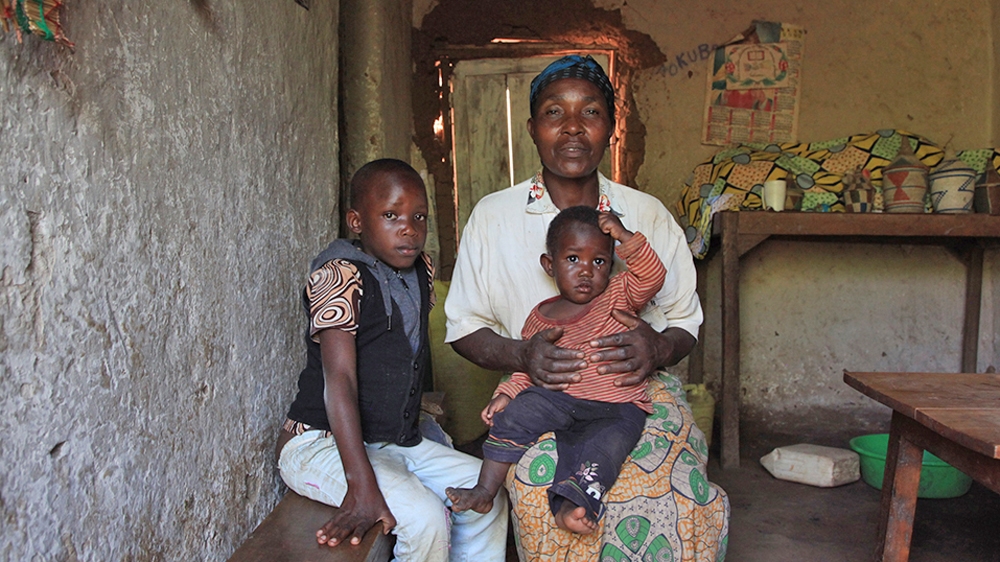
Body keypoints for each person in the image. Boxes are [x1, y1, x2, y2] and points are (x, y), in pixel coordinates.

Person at [444, 55, 730, 559]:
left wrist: (658, 346)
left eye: (591, 112)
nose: (573, 128)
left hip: (632, 392)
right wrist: (523, 357)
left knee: (682, 494)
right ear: (532, 128)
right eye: (555, 113)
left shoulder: (646, 216)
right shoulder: (493, 217)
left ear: (611, 127)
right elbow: (464, 326)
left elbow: (685, 319)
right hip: (542, 387)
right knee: (539, 491)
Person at [275, 159, 508, 562]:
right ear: (356, 221)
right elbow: (340, 381)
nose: (409, 228)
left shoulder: (420, 270)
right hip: (319, 444)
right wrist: (361, 485)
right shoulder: (339, 275)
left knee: (485, 488)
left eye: (419, 216)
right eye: (390, 215)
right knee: (424, 518)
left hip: (388, 440)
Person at [446, 205, 665, 535]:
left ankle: (570, 507)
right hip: (559, 400)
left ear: (612, 264)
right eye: (573, 259)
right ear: (550, 265)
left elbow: (652, 275)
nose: (587, 270)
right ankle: (485, 491)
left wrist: (624, 236)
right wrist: (506, 395)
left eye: (599, 261)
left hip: (617, 409)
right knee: (516, 415)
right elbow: (531, 367)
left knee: (602, 452)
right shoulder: (540, 317)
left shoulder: (619, 294)